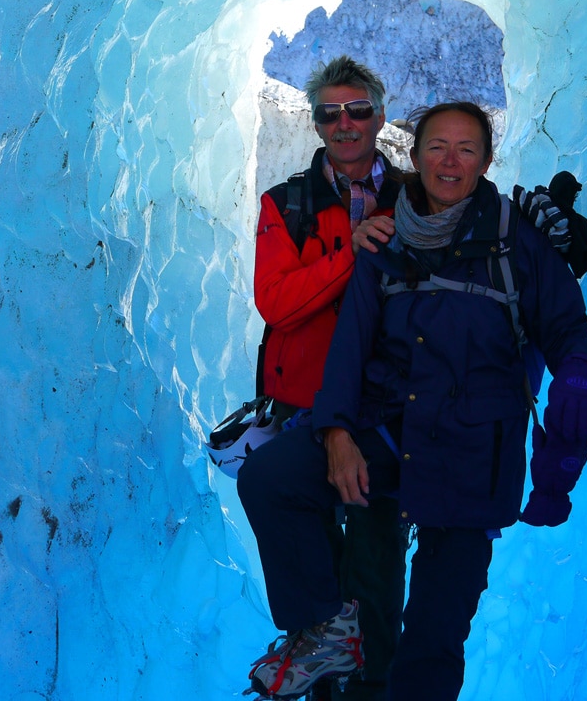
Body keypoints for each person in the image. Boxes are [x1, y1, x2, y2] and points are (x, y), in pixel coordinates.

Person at [239, 102, 587, 701]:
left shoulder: (517, 242)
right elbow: (350, 349)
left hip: (473, 459)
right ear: (415, 156)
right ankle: (329, 629)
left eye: (466, 148)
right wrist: (334, 434)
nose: (450, 160)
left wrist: (578, 377)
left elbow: (565, 328)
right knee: (272, 478)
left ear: (487, 160)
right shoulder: (387, 239)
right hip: (388, 438)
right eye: (436, 146)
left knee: (432, 645)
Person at [252, 56, 407, 701]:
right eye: (330, 114)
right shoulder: (285, 204)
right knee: (309, 556)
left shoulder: (417, 194)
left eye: (358, 110)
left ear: (378, 113)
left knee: (373, 562)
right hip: (302, 407)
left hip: (384, 412)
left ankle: (372, 684)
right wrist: (352, 255)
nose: (345, 125)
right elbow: (278, 302)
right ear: (315, 122)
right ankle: (320, 657)